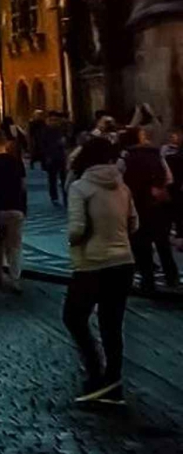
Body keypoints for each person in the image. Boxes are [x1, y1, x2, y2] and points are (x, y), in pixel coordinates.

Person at [64, 137, 139, 406]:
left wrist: (72, 241)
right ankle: (113, 381)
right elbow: (134, 224)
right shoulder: (122, 186)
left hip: (92, 264)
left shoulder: (80, 187)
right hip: (123, 262)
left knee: (73, 317)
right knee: (112, 324)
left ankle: (95, 371)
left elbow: (77, 229)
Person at [118, 124, 178, 291]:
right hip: (156, 204)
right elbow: (169, 178)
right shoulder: (156, 154)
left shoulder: (126, 156)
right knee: (162, 243)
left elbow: (118, 180)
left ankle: (147, 280)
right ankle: (171, 277)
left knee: (140, 244)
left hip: (136, 204)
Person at [0, 133, 28, 292]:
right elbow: (23, 186)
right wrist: (23, 207)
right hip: (15, 207)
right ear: (6, 143)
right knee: (15, 246)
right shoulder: (16, 162)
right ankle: (15, 278)